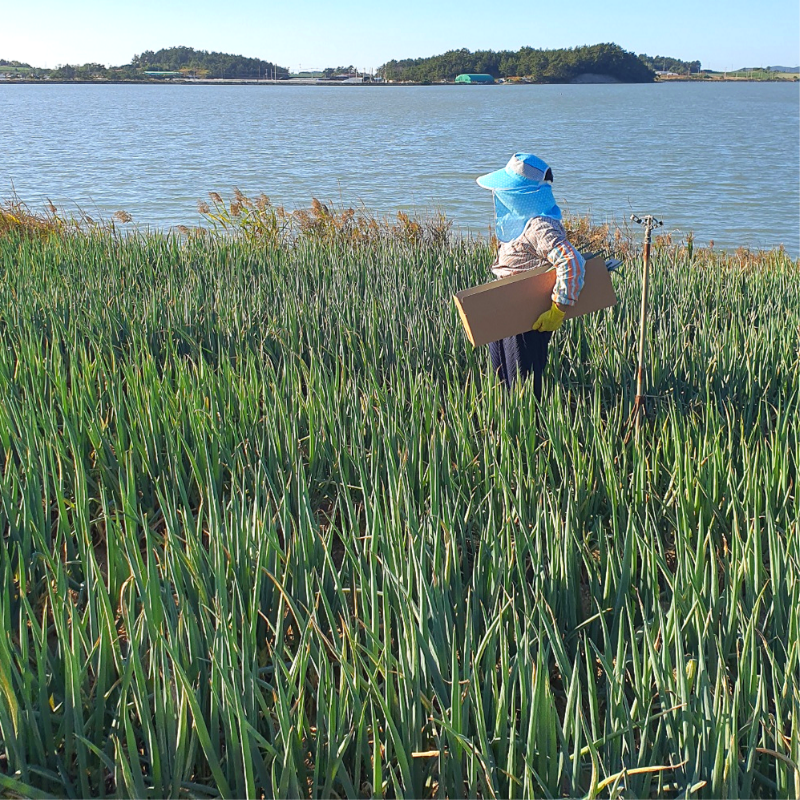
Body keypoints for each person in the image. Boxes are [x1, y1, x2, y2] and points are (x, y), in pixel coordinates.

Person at [477, 153, 586, 398]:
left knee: (522, 385)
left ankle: (529, 421)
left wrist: (558, 310)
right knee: (501, 379)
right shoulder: (523, 222)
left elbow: (572, 262)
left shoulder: (540, 225)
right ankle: (505, 418)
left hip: (526, 316)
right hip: (505, 308)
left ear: (522, 194)